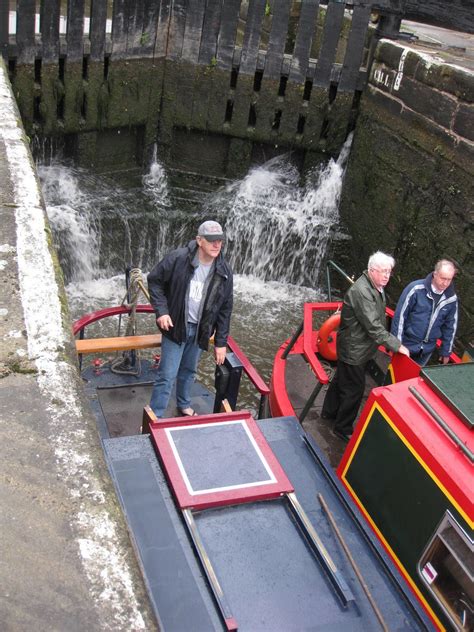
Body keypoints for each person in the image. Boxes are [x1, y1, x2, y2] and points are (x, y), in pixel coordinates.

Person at [147, 220, 233, 418]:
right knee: (167, 375)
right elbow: (155, 282)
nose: (217, 245)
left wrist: (221, 343)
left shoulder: (224, 271)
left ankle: (184, 404)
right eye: (212, 240)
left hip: (201, 330)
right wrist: (162, 311)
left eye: (220, 240)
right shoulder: (178, 259)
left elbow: (225, 309)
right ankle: (156, 415)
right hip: (176, 326)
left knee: (189, 371)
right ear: (199, 240)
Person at [321, 251, 410, 442]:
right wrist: (396, 345)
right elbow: (374, 326)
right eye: (383, 271)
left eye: (389, 271)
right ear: (371, 271)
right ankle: (342, 428)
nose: (387, 275)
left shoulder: (375, 286)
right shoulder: (362, 292)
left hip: (355, 347)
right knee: (354, 390)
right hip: (354, 350)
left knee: (340, 381)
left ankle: (328, 413)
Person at [391, 259, 458, 366]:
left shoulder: (451, 299)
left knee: (413, 381)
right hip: (406, 344)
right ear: (435, 274)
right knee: (394, 377)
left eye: (449, 280)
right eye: (443, 278)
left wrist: (446, 352)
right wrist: (397, 344)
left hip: (426, 350)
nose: (445, 283)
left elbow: (450, 327)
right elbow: (400, 317)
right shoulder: (415, 289)